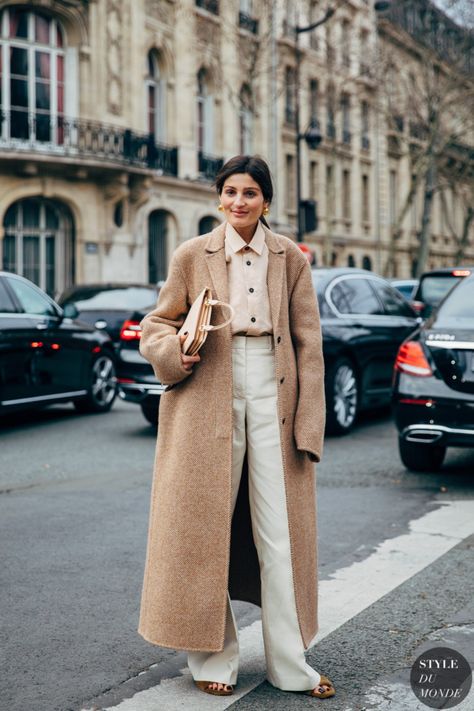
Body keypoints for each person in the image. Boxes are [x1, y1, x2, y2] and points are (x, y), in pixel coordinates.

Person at [137, 155, 335, 700]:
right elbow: (156, 324)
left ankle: (290, 664)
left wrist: (309, 430)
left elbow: (309, 345)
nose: (240, 201)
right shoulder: (190, 254)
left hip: (275, 391)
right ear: (218, 199)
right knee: (206, 528)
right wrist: (173, 352)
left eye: (250, 192)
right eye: (230, 192)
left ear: (266, 201)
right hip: (207, 393)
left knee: (280, 534)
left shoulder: (289, 256)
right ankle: (212, 660)